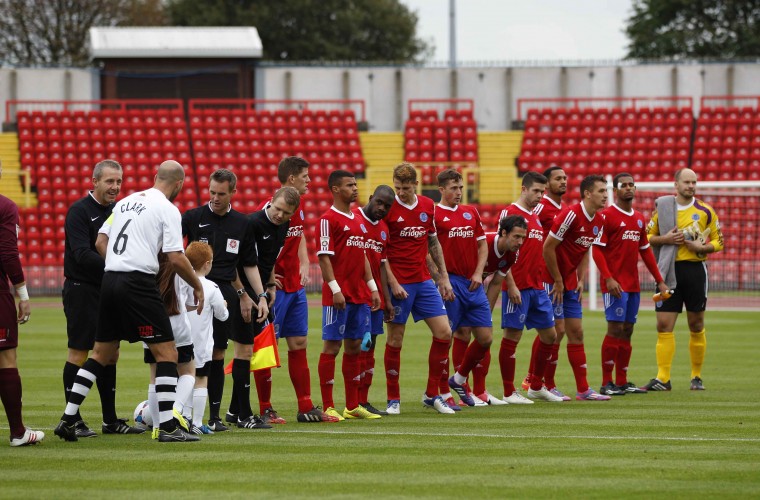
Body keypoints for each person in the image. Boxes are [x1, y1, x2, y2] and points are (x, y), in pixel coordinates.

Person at [54, 160, 205, 442]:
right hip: (137, 283)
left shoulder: (126, 202)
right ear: (179, 185)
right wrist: (197, 285)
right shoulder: (167, 209)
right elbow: (175, 256)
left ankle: (67, 419)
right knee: (168, 354)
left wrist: (117, 262)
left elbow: (100, 240)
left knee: (101, 353)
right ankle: (169, 428)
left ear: (155, 177)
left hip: (109, 279)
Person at [61, 159, 143, 437]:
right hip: (82, 289)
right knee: (79, 352)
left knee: (111, 354)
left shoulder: (120, 211)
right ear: (94, 181)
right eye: (109, 181)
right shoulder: (79, 212)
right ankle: (75, 420)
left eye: (118, 181)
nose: (115, 187)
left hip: (110, 289)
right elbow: (81, 255)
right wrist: (120, 265)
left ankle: (110, 421)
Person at [254, 157, 338, 424]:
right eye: (305, 176)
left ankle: (305, 406)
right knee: (267, 348)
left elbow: (297, 233)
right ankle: (266, 408)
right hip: (275, 290)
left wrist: (303, 260)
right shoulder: (270, 211)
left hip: (295, 287)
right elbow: (255, 249)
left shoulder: (295, 208)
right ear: (291, 178)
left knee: (299, 343)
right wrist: (267, 279)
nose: (310, 181)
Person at [182, 169, 265, 431]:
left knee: (245, 350)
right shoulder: (193, 217)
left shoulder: (243, 223)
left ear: (233, 193)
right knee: (214, 352)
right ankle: (214, 417)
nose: (215, 198)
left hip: (232, 292)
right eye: (212, 192)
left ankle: (240, 414)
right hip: (201, 291)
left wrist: (259, 296)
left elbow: (249, 264)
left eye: (221, 194)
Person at [384, 163, 455, 415]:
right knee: (395, 338)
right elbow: (381, 252)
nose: (401, 193)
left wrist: (443, 277)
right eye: (397, 188)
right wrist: (392, 283)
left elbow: (433, 242)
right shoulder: (388, 207)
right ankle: (393, 398)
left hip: (423, 281)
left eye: (405, 188)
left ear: (416, 184)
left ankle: (432, 393)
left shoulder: (427, 205)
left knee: (444, 333)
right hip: (399, 282)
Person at [643, 168, 723, 391]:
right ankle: (663, 378)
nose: (691, 186)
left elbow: (719, 241)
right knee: (663, 324)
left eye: (694, 182)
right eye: (687, 182)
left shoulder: (705, 211)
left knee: (696, 324)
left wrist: (702, 247)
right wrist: (665, 238)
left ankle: (696, 377)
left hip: (695, 271)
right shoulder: (663, 209)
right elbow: (647, 237)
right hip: (667, 272)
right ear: (676, 185)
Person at [227, 187, 301, 428]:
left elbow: (267, 259)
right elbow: (237, 262)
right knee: (247, 351)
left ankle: (233, 411)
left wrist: (270, 285)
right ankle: (243, 415)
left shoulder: (283, 226)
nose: (280, 215)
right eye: (277, 209)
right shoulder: (252, 223)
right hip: (242, 291)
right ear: (271, 201)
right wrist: (246, 294)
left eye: (286, 213)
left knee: (253, 350)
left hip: (259, 291)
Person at [592, 173, 670, 396]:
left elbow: (645, 252)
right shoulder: (606, 216)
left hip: (632, 285)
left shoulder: (638, 218)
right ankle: (607, 382)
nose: (628, 188)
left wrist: (660, 280)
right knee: (614, 328)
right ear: (615, 191)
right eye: (623, 185)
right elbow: (597, 250)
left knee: (628, 330)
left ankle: (622, 380)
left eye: (630, 185)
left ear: (635, 188)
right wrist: (608, 278)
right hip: (614, 285)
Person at [317, 170, 381, 420]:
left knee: (355, 346)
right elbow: (324, 257)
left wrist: (373, 287)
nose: (355, 188)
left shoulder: (356, 218)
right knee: (332, 347)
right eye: (349, 185)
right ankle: (328, 405)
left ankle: (352, 406)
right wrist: (335, 289)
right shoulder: (327, 219)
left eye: (355, 184)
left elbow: (363, 255)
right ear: (335, 189)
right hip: (339, 295)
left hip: (359, 295)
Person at [542, 174, 611, 401]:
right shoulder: (570, 215)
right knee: (555, 333)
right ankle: (543, 384)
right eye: (601, 191)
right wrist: (559, 280)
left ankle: (583, 389)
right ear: (587, 194)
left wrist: (579, 279)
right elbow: (548, 247)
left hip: (570, 282)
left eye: (606, 191)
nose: (605, 195)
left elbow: (584, 250)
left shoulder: (599, 221)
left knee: (576, 332)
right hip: (553, 281)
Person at [499, 172, 565, 404]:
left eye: (543, 192)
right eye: (536, 191)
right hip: (517, 287)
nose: (540, 196)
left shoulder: (535, 218)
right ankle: (508, 392)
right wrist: (511, 284)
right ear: (524, 189)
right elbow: (502, 252)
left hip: (537, 287)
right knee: (512, 336)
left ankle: (536, 385)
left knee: (550, 334)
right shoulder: (509, 213)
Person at [427, 169, 491, 411]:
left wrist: (478, 272)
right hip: (450, 282)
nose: (459, 192)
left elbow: (482, 245)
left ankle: (459, 378)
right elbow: (427, 250)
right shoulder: (433, 213)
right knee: (447, 338)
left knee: (485, 338)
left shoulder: (470, 212)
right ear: (441, 189)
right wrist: (442, 279)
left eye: (461, 187)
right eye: (454, 188)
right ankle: (442, 390)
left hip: (472, 283)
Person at [0, 159, 45, 447]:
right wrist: (23, 295)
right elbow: (7, 252)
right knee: (6, 358)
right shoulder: (5, 206)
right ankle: (18, 432)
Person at [523, 165, 570, 399]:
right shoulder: (540, 208)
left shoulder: (564, 209)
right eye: (558, 178)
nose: (563, 182)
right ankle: (537, 380)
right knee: (553, 330)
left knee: (556, 331)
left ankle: (537, 380)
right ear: (547, 184)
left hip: (557, 276)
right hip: (544, 278)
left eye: (565, 178)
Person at [353, 184, 396, 416]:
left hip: (376, 299)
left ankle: (364, 399)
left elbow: (381, 266)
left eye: (387, 206)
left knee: (371, 347)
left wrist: (387, 300)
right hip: (356, 296)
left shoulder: (383, 229)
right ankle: (353, 401)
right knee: (356, 347)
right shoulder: (354, 220)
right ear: (371, 198)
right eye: (379, 202)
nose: (381, 208)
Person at [184, 241, 228, 435]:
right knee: (201, 379)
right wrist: (225, 305)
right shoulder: (211, 287)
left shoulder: (180, 281)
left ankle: (183, 419)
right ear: (208, 263)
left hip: (181, 339)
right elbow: (222, 315)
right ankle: (197, 422)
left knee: (183, 378)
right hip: (201, 343)